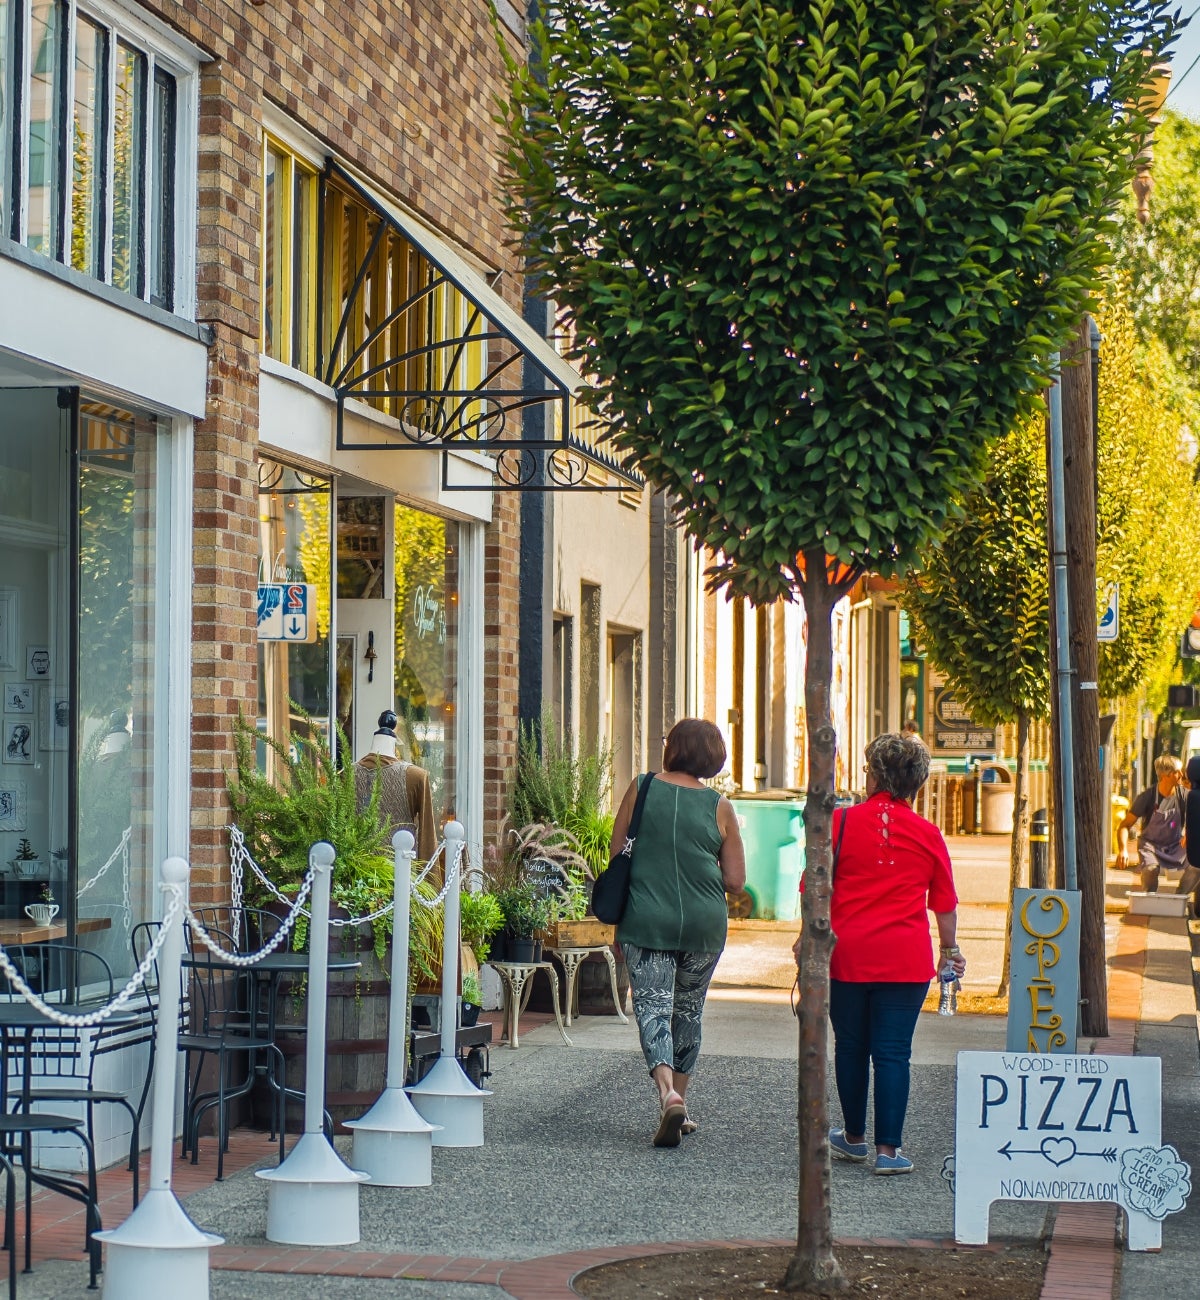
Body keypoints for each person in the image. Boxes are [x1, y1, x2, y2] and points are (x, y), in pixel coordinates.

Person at [793, 731, 964, 1176]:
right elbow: (944, 904)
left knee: (851, 1047)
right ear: (916, 783)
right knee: (893, 1053)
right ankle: (889, 1152)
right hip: (906, 963)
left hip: (845, 955)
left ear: (874, 776)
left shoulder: (840, 824)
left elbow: (812, 888)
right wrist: (950, 950)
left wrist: (803, 938)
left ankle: (852, 1139)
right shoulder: (928, 834)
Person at [609, 718, 746, 1148]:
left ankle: (667, 1092)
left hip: (647, 919)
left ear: (673, 749)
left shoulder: (642, 787)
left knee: (652, 1008)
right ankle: (680, 1104)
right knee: (687, 1010)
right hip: (704, 925)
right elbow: (737, 880)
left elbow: (617, 855)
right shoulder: (720, 806)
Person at [1116, 754, 1186, 893]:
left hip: (1175, 844)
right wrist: (1122, 849)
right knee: (1150, 869)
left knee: (1196, 866)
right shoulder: (1146, 797)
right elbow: (1124, 826)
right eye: (1176, 772)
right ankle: (1150, 897)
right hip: (1150, 846)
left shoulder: (1185, 795)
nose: (1181, 774)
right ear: (1165, 775)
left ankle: (1180, 896)